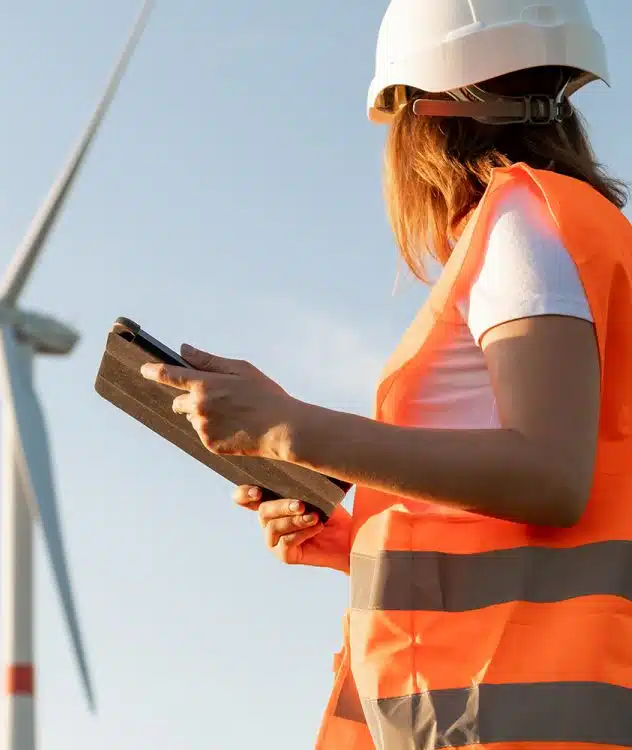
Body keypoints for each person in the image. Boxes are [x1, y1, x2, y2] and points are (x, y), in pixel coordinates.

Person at [141, 1, 632, 748]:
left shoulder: (523, 227)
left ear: (422, 115)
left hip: (516, 721)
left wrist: (289, 431)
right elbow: (556, 501)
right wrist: (360, 532)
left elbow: (550, 473)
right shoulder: (571, 232)